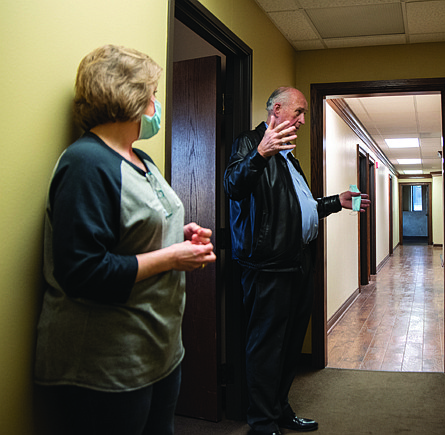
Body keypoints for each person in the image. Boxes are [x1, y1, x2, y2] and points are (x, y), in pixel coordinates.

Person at [34, 45, 217, 435]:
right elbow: (81, 271)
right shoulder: (85, 163)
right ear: (130, 96)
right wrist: (172, 256)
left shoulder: (140, 159)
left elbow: (132, 229)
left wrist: (179, 234)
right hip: (107, 365)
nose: (156, 102)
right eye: (152, 92)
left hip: (159, 351)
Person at [224, 87, 370, 435]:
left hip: (298, 262)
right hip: (268, 266)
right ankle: (261, 422)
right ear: (276, 109)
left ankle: (279, 409)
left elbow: (297, 209)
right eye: (300, 111)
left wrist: (337, 201)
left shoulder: (289, 156)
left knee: (289, 345)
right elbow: (233, 186)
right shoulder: (249, 143)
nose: (303, 120)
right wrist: (260, 153)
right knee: (266, 346)